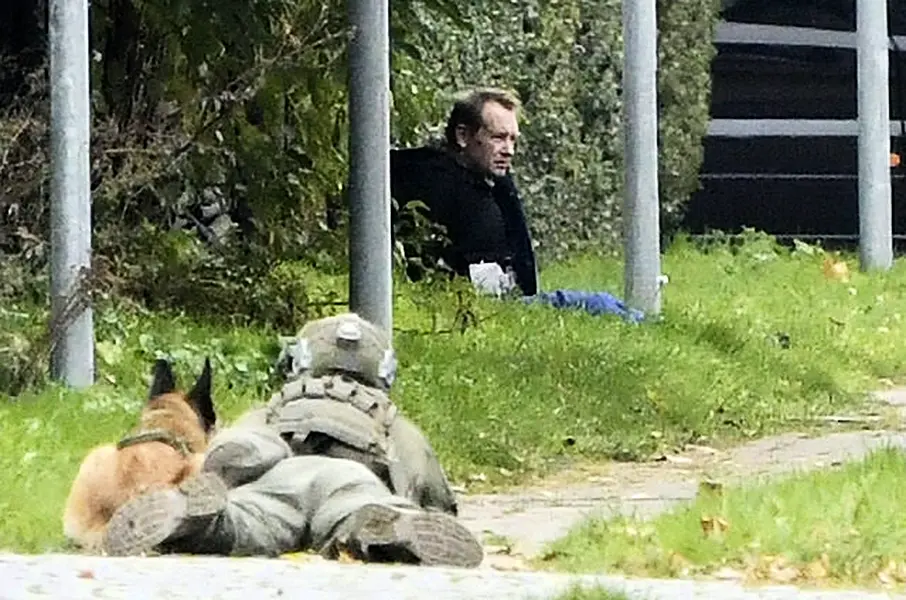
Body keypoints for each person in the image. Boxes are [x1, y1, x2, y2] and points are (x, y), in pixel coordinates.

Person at [101, 313, 484, 568]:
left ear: (300, 362)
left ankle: (197, 518)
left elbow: (244, 441)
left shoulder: (278, 406)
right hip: (350, 478)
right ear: (383, 372)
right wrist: (426, 510)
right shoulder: (392, 422)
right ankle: (386, 526)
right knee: (357, 511)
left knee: (246, 521)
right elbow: (432, 490)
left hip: (279, 472)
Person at [391, 87, 646, 323]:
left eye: (513, 140)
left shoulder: (491, 182)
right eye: (499, 138)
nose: (509, 150)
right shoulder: (432, 179)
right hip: (486, 305)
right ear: (463, 136)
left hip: (504, 300)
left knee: (609, 306)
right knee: (601, 305)